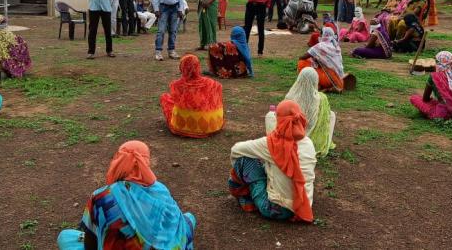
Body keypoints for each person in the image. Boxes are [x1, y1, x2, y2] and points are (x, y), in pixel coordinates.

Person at [58, 141, 196, 250]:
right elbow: (175, 220)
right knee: (189, 218)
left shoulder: (102, 197)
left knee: (65, 237)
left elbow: (90, 242)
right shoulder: (160, 190)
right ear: (146, 162)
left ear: (118, 161)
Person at [228, 100, 316, 222]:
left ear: (278, 120)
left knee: (244, 161)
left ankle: (245, 197)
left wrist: (246, 175)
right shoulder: (308, 143)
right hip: (304, 204)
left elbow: (236, 150)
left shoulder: (272, 144)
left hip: (276, 210)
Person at [160, 55, 225, 138]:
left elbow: (175, 100)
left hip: (182, 128)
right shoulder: (214, 83)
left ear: (182, 68)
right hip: (213, 126)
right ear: (198, 67)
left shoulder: (176, 85)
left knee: (165, 98)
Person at [282, 66, 337, 157]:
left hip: (291, 136)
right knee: (331, 114)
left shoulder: (290, 97)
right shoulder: (321, 98)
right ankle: (321, 142)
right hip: (309, 138)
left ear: (299, 79)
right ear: (316, 81)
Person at [409, 51, 452, 120]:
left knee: (415, 98)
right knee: (441, 102)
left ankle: (439, 110)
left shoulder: (434, 76)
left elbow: (425, 98)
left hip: (443, 113)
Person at [299, 27, 344, 92]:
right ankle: (324, 86)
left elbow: (304, 57)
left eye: (320, 34)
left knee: (302, 62)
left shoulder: (320, 46)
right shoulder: (336, 46)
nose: (319, 35)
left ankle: (315, 84)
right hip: (337, 79)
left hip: (327, 79)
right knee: (315, 62)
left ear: (324, 35)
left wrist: (300, 58)